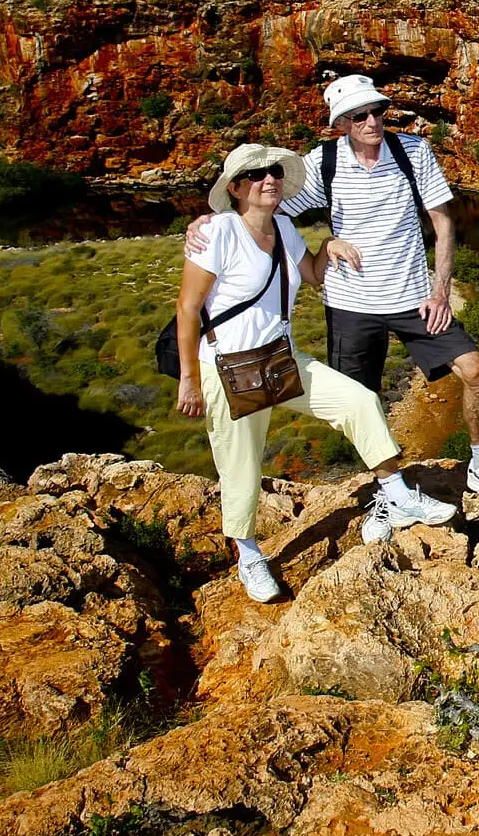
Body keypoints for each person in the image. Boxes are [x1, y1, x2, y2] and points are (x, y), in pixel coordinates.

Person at [188, 74, 479, 508]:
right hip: (351, 306)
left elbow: (443, 224)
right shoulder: (322, 163)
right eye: (359, 115)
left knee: (476, 368)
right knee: (361, 403)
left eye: (377, 111)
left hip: (414, 299)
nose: (372, 121)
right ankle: (389, 495)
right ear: (342, 123)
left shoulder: (413, 153)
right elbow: (262, 205)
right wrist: (209, 221)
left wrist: (440, 290)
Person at [176, 143, 456, 603]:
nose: (270, 180)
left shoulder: (284, 227)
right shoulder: (217, 234)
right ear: (236, 189)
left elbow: (313, 276)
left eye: (274, 173)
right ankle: (248, 554)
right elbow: (187, 310)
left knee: (359, 401)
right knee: (241, 465)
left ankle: (397, 492)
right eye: (257, 175)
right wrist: (190, 379)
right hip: (228, 367)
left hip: (281, 358)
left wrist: (329, 245)